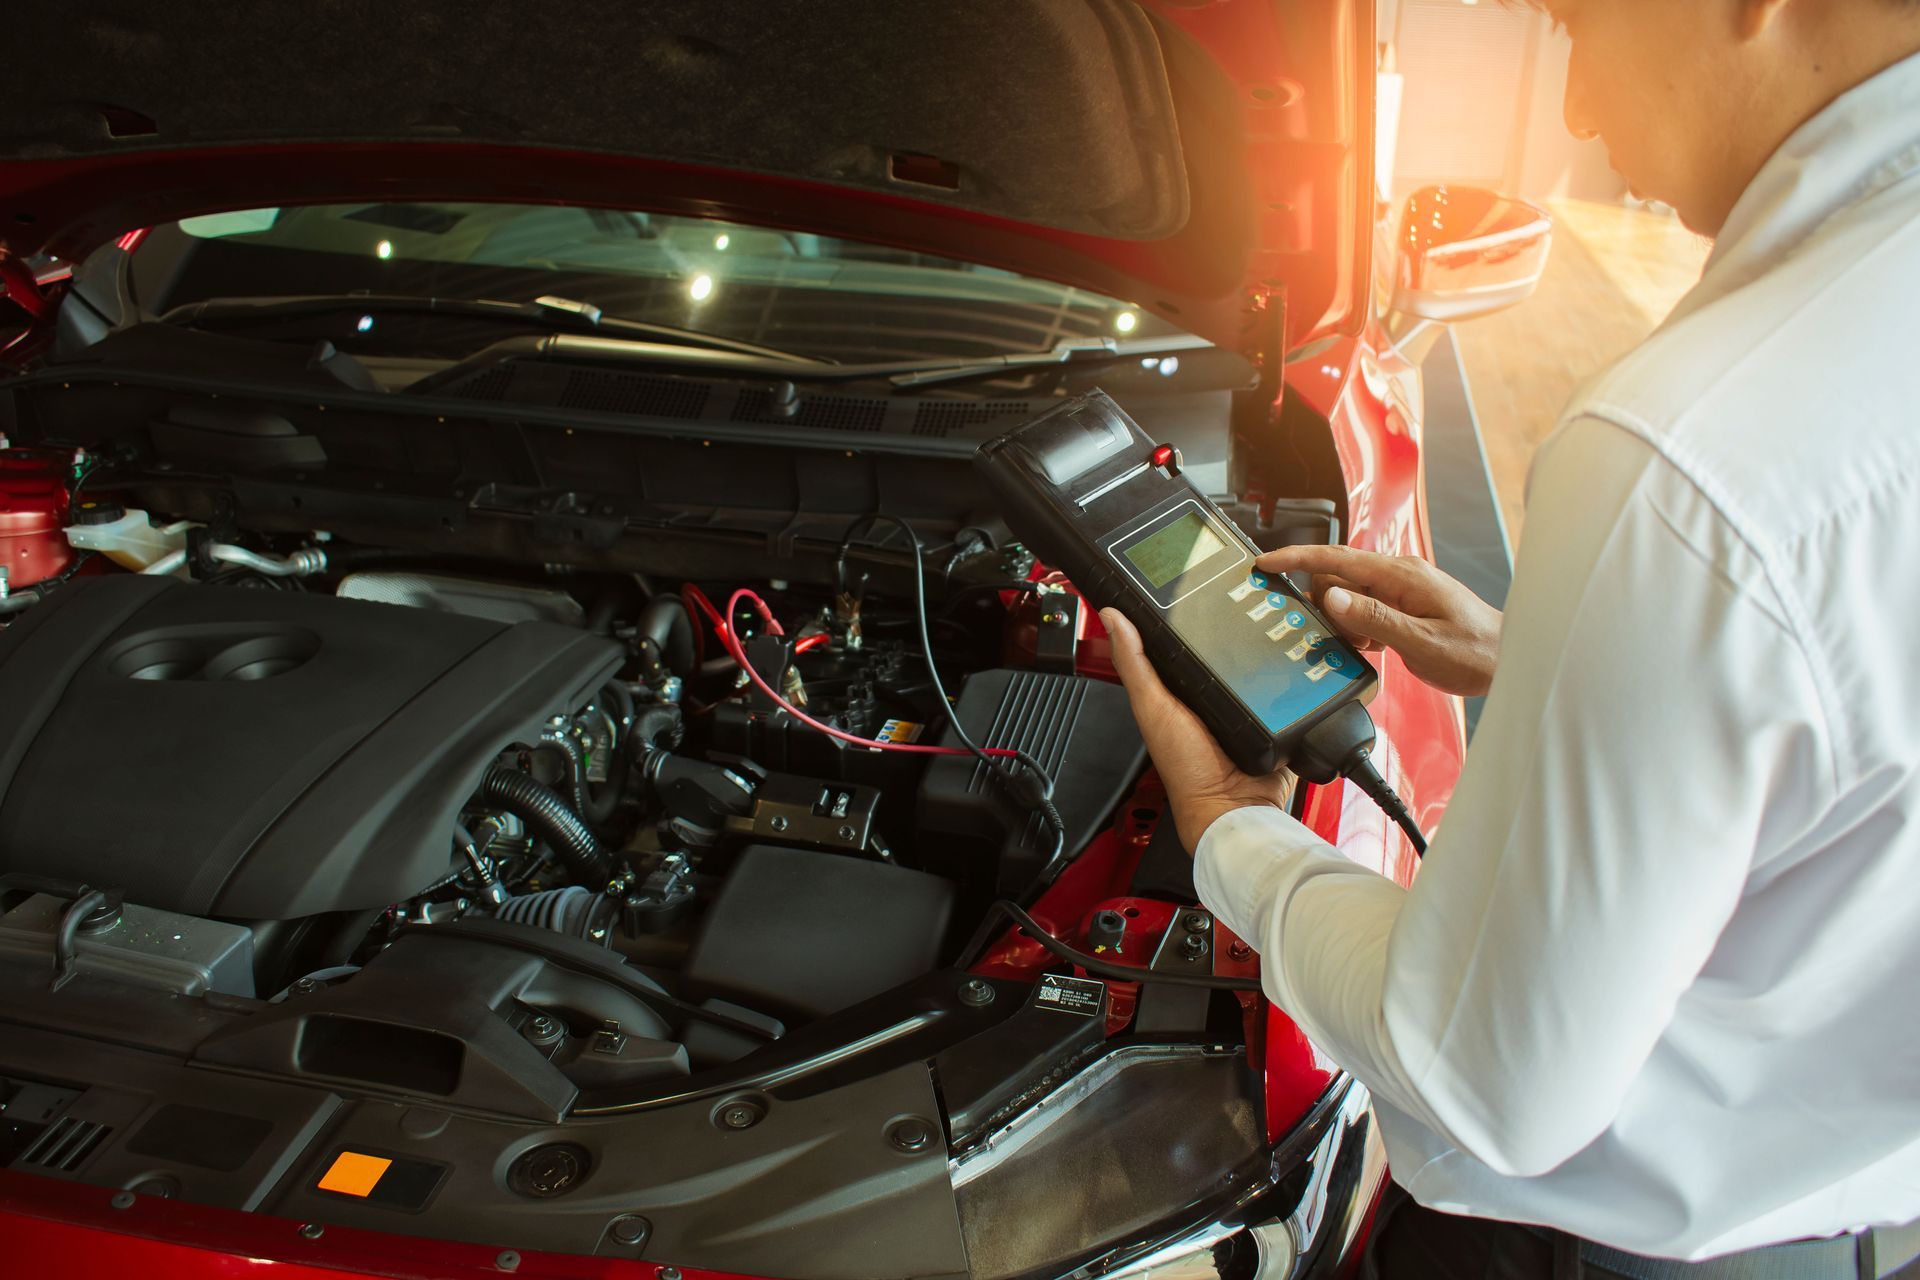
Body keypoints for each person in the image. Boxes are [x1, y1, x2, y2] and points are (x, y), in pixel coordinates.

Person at [1099, 1, 1920, 1276]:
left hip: (1610, 1248)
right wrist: (1576, 663)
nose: (1578, 104)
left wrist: (1231, 833)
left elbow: (1489, 1081)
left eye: (1577, 22)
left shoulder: (1692, 453)